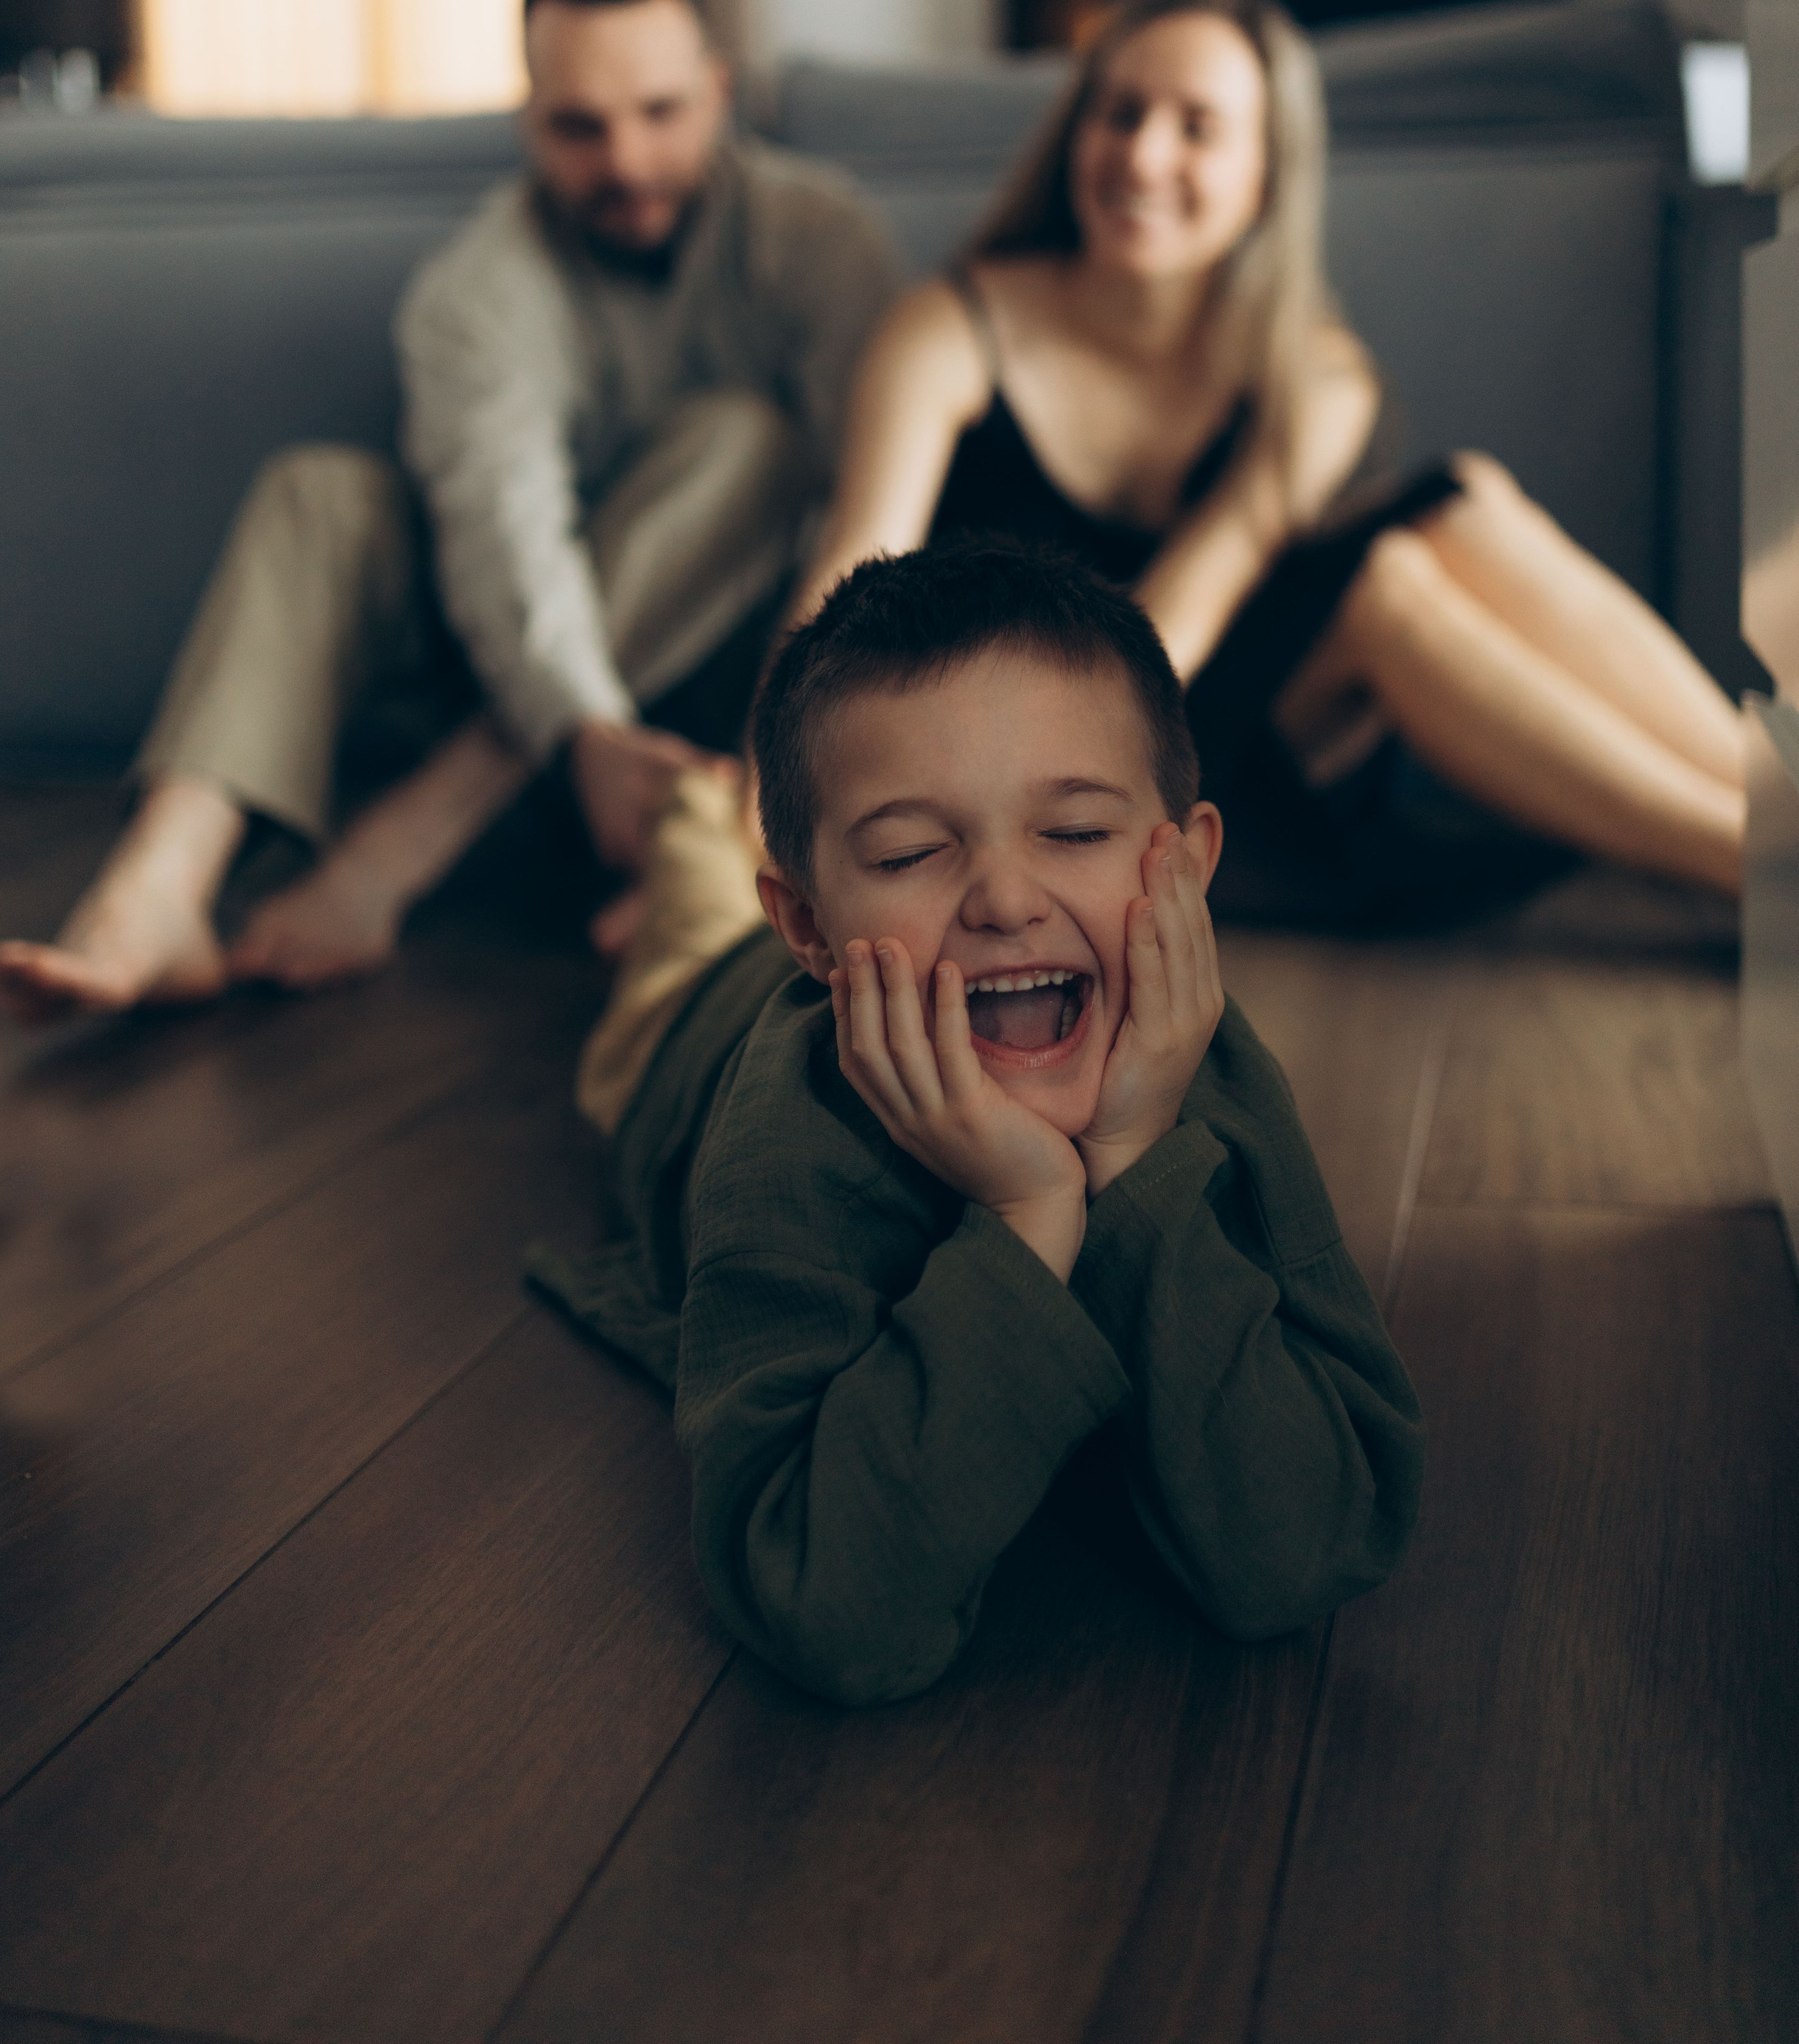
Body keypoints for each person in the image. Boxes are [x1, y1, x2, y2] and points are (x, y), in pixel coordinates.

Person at [527, 538, 1424, 1706]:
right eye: (909, 852)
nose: (1004, 899)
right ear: (809, 925)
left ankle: (718, 821)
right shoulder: (788, 1135)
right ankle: (691, 817)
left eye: (1077, 832)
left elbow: (1313, 1543)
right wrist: (1029, 1216)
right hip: (687, 1028)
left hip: (806, 959)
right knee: (691, 882)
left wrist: (1135, 1160)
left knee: (712, 856)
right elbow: (825, 1600)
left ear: (1187, 867)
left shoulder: (1210, 1070)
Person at [0, 0, 901, 1024]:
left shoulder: (823, 238)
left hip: (729, 719)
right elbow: (501, 531)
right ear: (529, 123)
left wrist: (777, 786)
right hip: (533, 703)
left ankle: (405, 849)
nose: (625, 161)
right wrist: (582, 731)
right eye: (579, 126)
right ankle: (158, 885)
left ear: (718, 90)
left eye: (660, 112)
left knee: (751, 440)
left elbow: (878, 513)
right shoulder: (474, 289)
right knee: (317, 491)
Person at [774, 0, 1745, 921]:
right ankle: (1755, 865)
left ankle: (1771, 815)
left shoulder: (1316, 374)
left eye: (1197, 127)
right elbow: (845, 585)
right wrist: (773, 807)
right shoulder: (949, 330)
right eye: (1119, 113)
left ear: (1266, 175)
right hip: (1080, 761)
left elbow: (1194, 606)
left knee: (1465, 506)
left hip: (1236, 715)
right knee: (1385, 593)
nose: (1144, 156)